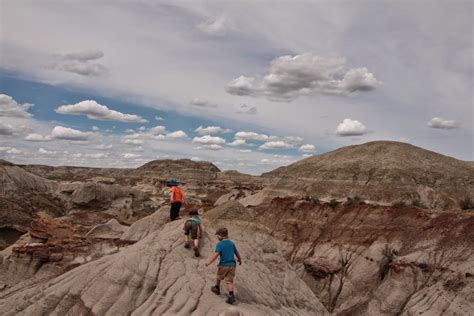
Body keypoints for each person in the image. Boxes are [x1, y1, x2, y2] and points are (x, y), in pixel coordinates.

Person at [205, 227, 242, 305]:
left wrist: (209, 262)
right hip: (232, 265)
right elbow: (237, 252)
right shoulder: (232, 243)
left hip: (223, 264)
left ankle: (217, 288)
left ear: (221, 235)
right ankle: (231, 296)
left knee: (219, 276)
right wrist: (239, 259)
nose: (217, 237)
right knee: (229, 281)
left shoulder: (220, 244)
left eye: (217, 235)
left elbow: (216, 255)